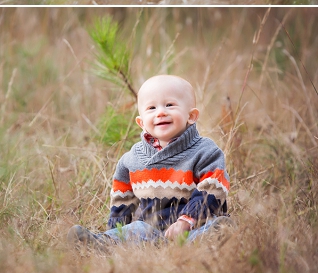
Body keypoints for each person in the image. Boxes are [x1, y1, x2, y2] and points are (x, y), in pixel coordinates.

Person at [68, 74, 230, 248]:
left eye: (169, 105)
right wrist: (116, 230)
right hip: (150, 228)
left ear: (191, 116)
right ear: (142, 123)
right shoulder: (132, 159)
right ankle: (102, 243)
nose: (160, 112)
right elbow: (122, 201)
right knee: (135, 230)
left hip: (192, 226)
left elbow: (212, 189)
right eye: (151, 108)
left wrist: (186, 221)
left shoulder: (205, 151)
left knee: (208, 230)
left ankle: (216, 234)